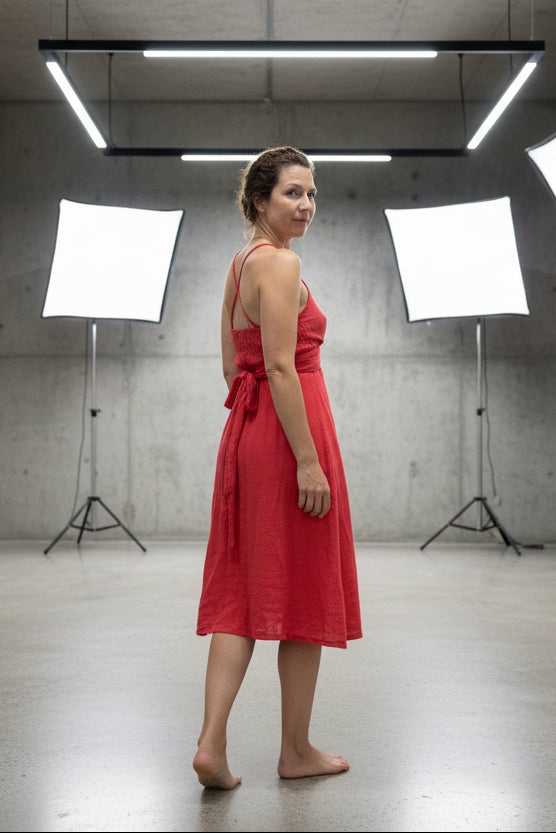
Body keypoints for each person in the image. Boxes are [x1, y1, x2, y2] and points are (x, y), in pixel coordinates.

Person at [193, 145, 362, 789]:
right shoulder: (283, 264)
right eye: (293, 193)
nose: (307, 205)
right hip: (292, 438)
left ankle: (212, 744)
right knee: (303, 588)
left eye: (313, 194)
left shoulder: (240, 265)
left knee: (241, 591)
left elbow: (234, 370)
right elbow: (285, 366)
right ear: (260, 200)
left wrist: (262, 432)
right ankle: (295, 750)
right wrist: (309, 461)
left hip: (246, 435)